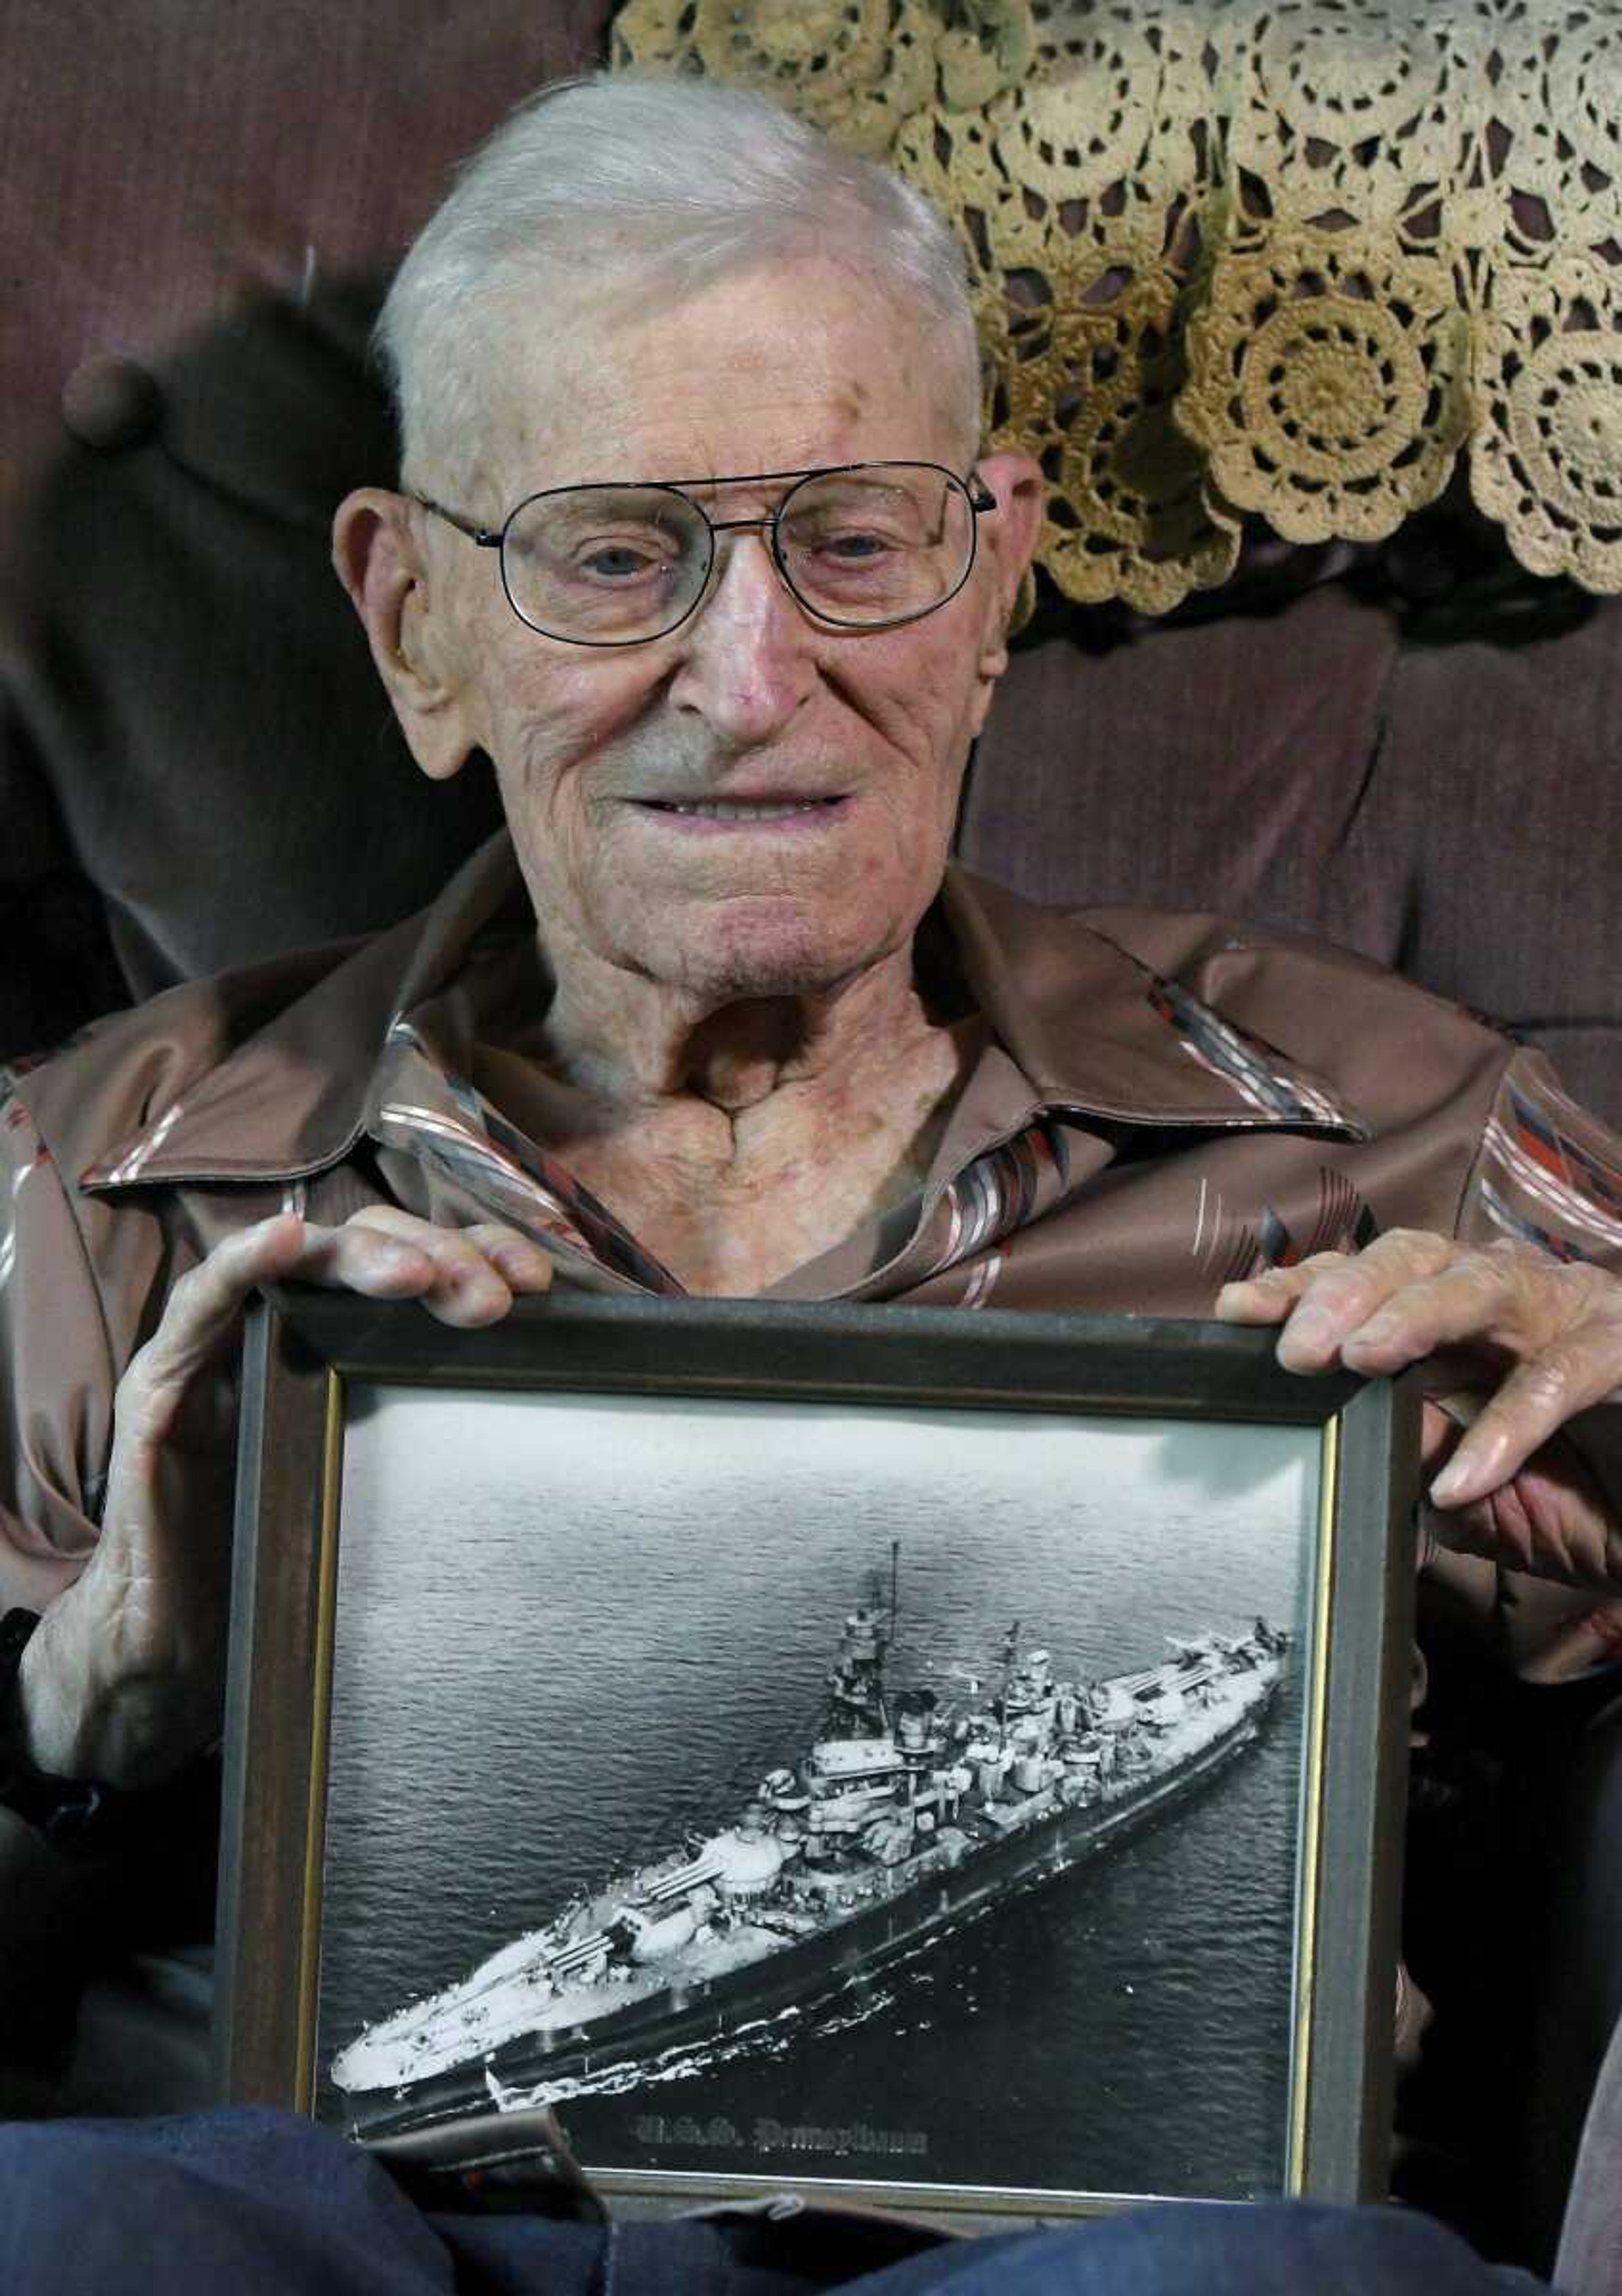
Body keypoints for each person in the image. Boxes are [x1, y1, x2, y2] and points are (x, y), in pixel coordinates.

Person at [0, 68, 1615, 2294]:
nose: (754, 683)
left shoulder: (1394, 1126)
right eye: (613, 552)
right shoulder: (84, 1181)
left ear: (987, 592)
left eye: (854, 542)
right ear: (413, 625)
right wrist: (73, 1715)